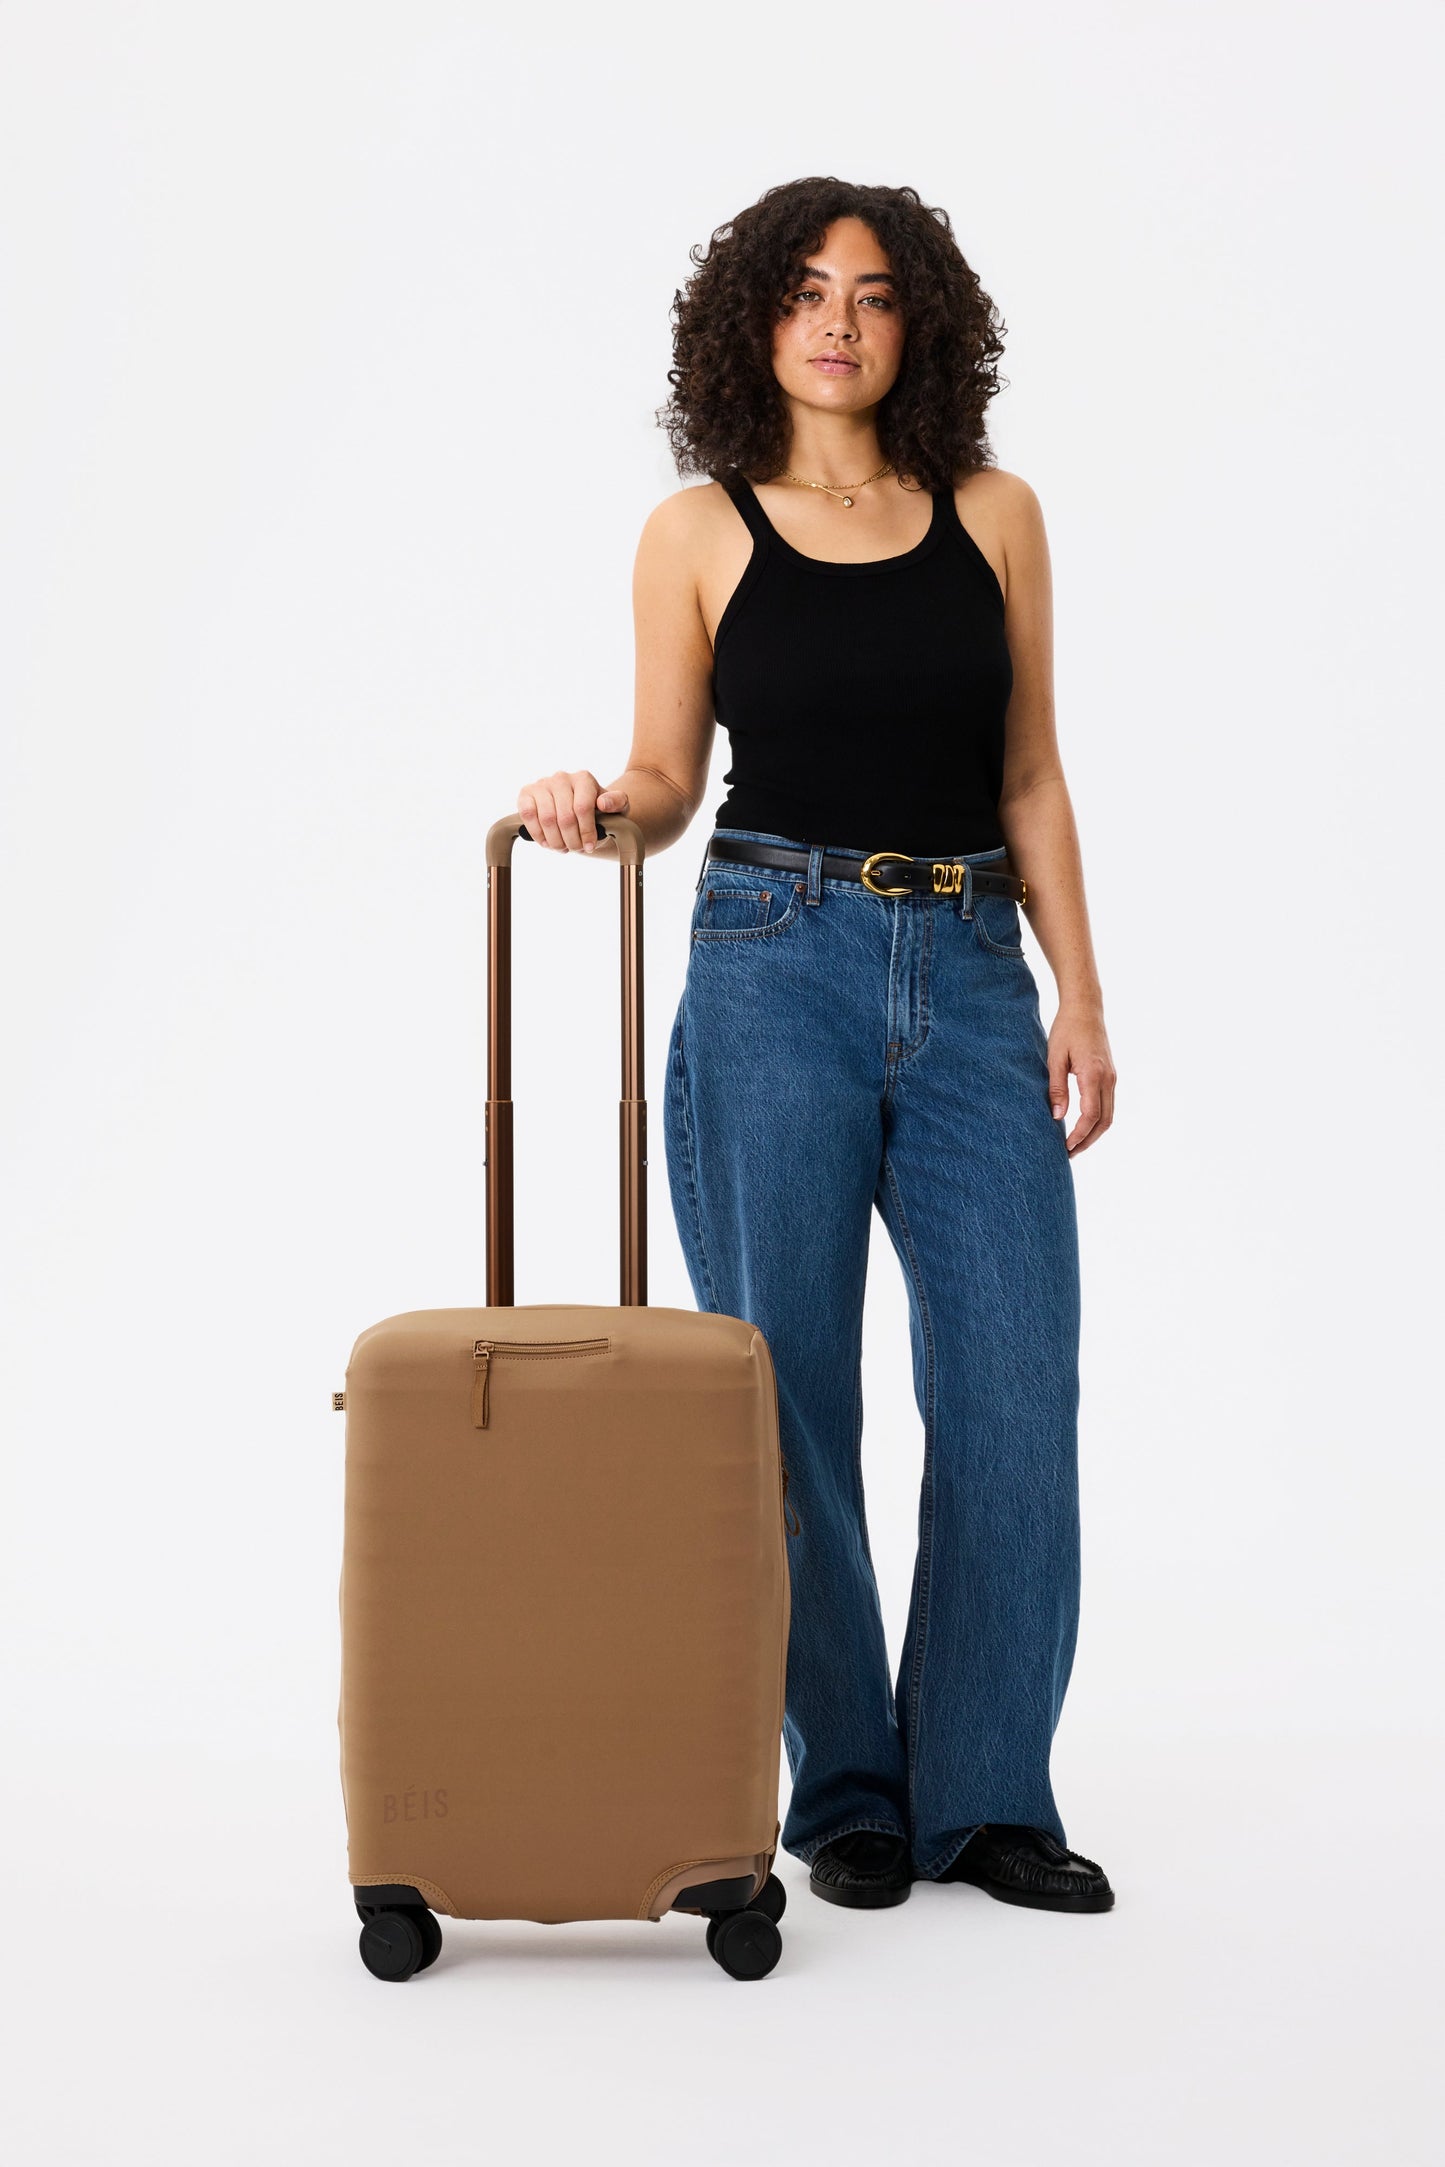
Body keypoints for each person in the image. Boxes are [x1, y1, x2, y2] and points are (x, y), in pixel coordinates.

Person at [514, 178, 1116, 1915]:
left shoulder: (993, 513)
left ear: (921, 324)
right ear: (751, 325)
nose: (837, 322)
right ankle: (846, 1786)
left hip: (973, 968)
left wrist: (1078, 992)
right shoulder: (696, 533)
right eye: (802, 292)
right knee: (786, 1397)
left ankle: (984, 1793)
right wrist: (591, 807)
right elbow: (664, 781)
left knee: (1013, 1392)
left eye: (871, 293)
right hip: (772, 959)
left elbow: (1029, 772)